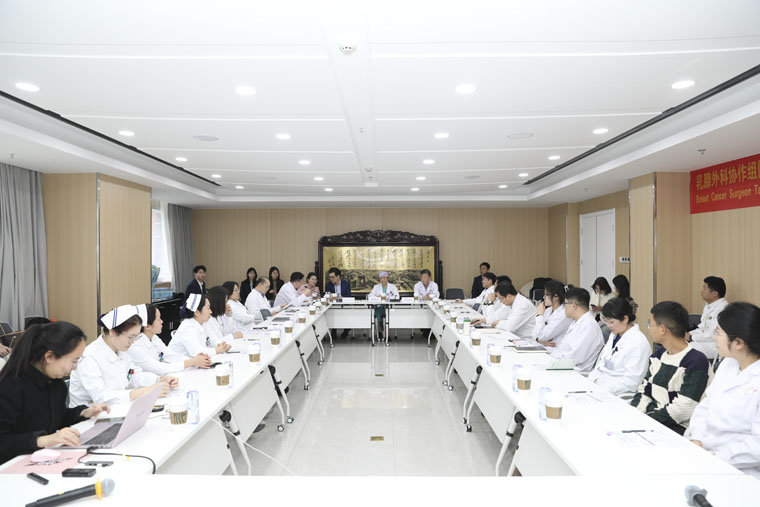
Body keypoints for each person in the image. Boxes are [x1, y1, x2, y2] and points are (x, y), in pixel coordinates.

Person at [0, 322, 111, 464]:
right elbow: (3, 441)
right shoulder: (10, 386)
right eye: (74, 361)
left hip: (40, 458)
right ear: (49, 357)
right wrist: (43, 440)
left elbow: (55, 416)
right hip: (10, 466)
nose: (75, 368)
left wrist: (83, 413)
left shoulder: (56, 383)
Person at [689, 302, 760, 478]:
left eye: (718, 332)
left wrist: (717, 458)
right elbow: (705, 406)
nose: (714, 338)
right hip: (703, 451)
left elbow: (757, 444)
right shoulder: (728, 364)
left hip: (740, 467)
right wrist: (696, 439)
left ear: (738, 343)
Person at [68, 305, 176, 407]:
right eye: (130, 337)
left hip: (117, 408)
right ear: (112, 332)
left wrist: (159, 380)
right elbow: (101, 397)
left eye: (135, 337)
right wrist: (147, 391)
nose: (133, 342)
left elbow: (133, 375)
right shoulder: (89, 357)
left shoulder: (120, 350)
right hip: (89, 416)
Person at [630, 301, 709, 435]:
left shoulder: (696, 361)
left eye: (650, 323)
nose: (648, 328)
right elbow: (645, 390)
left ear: (662, 329)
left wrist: (646, 420)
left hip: (677, 428)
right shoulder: (658, 356)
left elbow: (683, 409)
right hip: (652, 420)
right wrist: (634, 415)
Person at [588, 298, 651, 396]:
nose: (608, 326)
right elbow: (601, 364)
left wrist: (601, 391)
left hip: (617, 394)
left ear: (625, 319)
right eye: (606, 321)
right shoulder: (614, 335)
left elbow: (632, 382)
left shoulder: (639, 342)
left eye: (611, 322)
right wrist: (588, 383)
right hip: (598, 386)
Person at [128, 304, 212, 375]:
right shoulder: (135, 347)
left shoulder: (154, 338)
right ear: (147, 326)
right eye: (158, 319)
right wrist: (192, 362)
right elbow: (161, 369)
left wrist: (196, 361)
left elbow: (171, 356)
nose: (162, 321)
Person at [548, 287, 604, 373]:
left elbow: (573, 358)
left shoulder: (589, 327)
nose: (563, 308)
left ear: (574, 306)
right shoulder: (577, 322)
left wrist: (550, 360)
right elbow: (563, 348)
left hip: (574, 372)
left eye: (565, 304)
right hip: (563, 366)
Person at [688, 276, 728, 361]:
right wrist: (688, 334)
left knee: (686, 348)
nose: (701, 291)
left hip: (715, 345)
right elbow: (702, 327)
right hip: (704, 341)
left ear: (714, 293)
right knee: (677, 343)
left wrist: (691, 337)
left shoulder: (722, 309)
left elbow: (713, 334)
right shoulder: (709, 305)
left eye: (704, 288)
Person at [533, 280, 573, 347]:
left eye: (546, 295)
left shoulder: (563, 314)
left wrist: (539, 315)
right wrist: (538, 340)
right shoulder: (548, 310)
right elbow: (533, 331)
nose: (543, 297)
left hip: (555, 349)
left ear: (556, 296)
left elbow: (543, 335)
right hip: (542, 346)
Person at [370, 272, 399, 337]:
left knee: (390, 317)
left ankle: (387, 334)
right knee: (377, 317)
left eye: (384, 278)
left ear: (387, 278)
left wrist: (387, 297)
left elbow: (397, 296)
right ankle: (379, 332)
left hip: (389, 307)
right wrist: (377, 297)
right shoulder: (376, 287)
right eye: (381, 278)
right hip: (379, 307)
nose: (382, 280)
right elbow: (370, 296)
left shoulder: (392, 287)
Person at [325, 268, 352, 338]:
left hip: (344, 306)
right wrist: (329, 296)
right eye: (330, 277)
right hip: (333, 306)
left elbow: (348, 296)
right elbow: (327, 295)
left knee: (349, 314)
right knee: (332, 314)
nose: (331, 279)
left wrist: (342, 298)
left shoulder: (346, 284)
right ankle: (333, 330)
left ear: (338, 276)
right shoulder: (328, 284)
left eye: (332, 277)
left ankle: (346, 330)